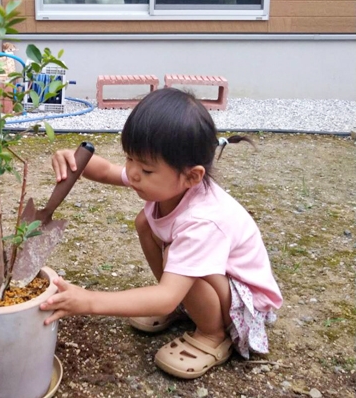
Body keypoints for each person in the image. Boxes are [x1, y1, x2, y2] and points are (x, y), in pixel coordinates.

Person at [41, 88, 282, 379]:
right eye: (130, 158)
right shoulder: (166, 180)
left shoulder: (202, 220)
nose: (132, 173)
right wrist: (72, 159)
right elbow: (105, 170)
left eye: (145, 168)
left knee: (182, 263)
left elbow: (166, 295)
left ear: (192, 176)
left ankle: (213, 333)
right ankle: (189, 307)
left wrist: (88, 300)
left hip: (245, 305)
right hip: (219, 285)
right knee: (146, 221)